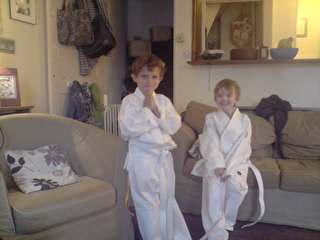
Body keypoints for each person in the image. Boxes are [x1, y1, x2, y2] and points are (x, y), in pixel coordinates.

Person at [118, 55, 192, 240]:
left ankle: (172, 236)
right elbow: (128, 130)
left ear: (160, 79)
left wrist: (157, 112)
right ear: (135, 77)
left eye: (154, 77)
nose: (149, 81)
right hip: (142, 159)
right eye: (143, 76)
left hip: (163, 158)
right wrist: (146, 110)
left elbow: (174, 126)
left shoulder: (164, 101)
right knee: (147, 204)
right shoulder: (129, 101)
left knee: (167, 200)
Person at [192, 79, 265, 240]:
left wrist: (230, 168)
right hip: (215, 163)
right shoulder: (211, 118)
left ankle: (227, 221)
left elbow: (243, 145)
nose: (224, 99)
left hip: (236, 163)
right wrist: (218, 165)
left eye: (228, 95)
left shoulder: (244, 120)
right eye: (219, 95)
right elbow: (210, 142)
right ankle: (214, 229)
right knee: (213, 192)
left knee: (237, 190)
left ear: (236, 98)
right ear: (215, 98)